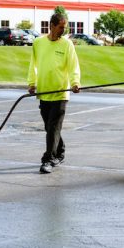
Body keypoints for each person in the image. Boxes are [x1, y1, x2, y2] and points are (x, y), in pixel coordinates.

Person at [27, 13, 81, 174]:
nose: (63, 31)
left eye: (65, 28)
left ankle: (48, 159)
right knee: (50, 127)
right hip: (44, 92)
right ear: (51, 25)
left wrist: (75, 82)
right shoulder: (38, 43)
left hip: (60, 93)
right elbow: (33, 64)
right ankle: (60, 150)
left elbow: (73, 66)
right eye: (60, 27)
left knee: (52, 127)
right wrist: (32, 83)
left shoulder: (67, 45)